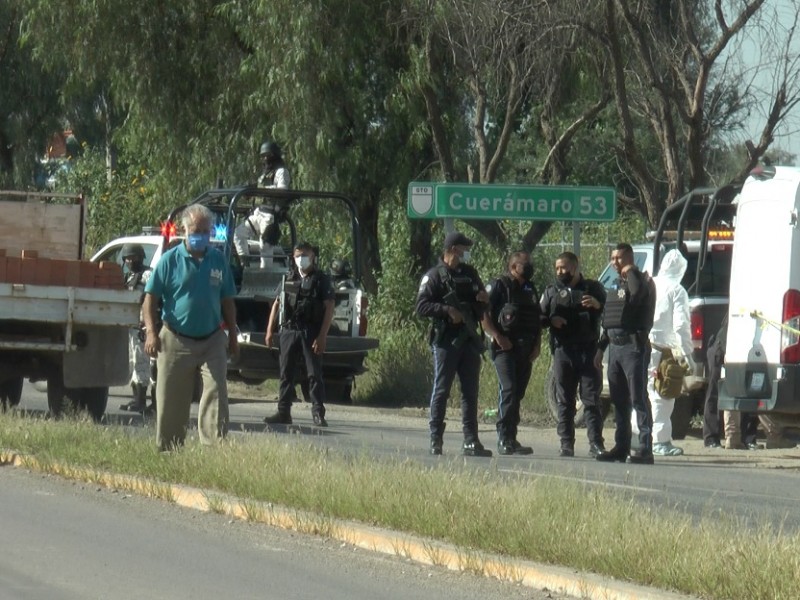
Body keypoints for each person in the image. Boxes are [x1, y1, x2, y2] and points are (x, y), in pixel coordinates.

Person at [143, 204, 239, 451]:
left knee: (217, 390)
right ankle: (169, 450)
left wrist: (233, 335)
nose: (201, 236)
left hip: (212, 339)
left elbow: (227, 300)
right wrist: (152, 334)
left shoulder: (217, 260)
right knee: (171, 399)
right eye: (197, 230)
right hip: (175, 338)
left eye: (206, 231)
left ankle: (214, 449)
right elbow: (150, 300)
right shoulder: (169, 260)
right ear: (185, 230)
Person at [416, 231, 492, 457]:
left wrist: (483, 302)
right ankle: (435, 438)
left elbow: (482, 306)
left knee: (470, 392)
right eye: (463, 248)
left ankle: (471, 440)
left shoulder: (470, 274)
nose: (466, 253)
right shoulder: (434, 276)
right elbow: (421, 306)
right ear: (452, 249)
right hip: (446, 341)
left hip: (469, 340)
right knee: (441, 390)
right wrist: (447, 310)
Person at [594, 243, 657, 464]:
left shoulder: (639, 281)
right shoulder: (616, 284)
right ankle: (621, 447)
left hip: (633, 348)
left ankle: (645, 448)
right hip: (615, 348)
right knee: (619, 400)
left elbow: (638, 293)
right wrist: (600, 349)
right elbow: (609, 320)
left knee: (637, 397)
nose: (614, 262)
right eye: (612, 258)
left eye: (618, 258)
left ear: (629, 258)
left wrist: (630, 269)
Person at [540, 252, 607, 457]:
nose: (561, 271)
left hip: (588, 351)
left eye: (565, 267)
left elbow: (611, 314)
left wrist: (598, 305)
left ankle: (596, 444)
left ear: (575, 267)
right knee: (565, 400)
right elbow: (539, 317)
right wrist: (551, 320)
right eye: (558, 268)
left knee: (591, 400)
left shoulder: (593, 288)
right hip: (563, 351)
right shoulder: (551, 292)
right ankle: (566, 443)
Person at [264, 241, 335, 427]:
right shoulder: (288, 278)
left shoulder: (321, 280)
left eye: (305, 255)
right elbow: (277, 304)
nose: (301, 259)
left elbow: (329, 308)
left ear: (312, 256)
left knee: (314, 374)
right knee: (286, 373)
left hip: (310, 331)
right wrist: (270, 331)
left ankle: (318, 413)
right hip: (289, 330)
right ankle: (283, 413)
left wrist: (322, 336)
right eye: (297, 255)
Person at [481, 251, 541, 455]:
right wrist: (497, 337)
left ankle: (512, 438)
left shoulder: (530, 288)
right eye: (526, 264)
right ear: (514, 267)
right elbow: (483, 314)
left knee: (518, 393)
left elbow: (536, 318)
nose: (530, 266)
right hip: (504, 349)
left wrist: (537, 345)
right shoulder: (499, 285)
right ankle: (503, 437)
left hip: (526, 349)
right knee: (508, 389)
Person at [641, 249, 695, 456]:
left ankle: (638, 436)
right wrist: (687, 354)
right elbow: (681, 326)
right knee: (663, 395)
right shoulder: (677, 290)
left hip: (641, 347)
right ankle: (660, 441)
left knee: (640, 393)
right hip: (664, 351)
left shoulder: (648, 284)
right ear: (681, 269)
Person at [119, 243, 156, 414]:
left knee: (143, 364)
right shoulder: (128, 277)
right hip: (131, 327)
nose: (130, 261)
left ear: (141, 258)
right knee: (133, 363)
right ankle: (136, 400)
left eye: (133, 258)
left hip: (143, 328)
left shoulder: (148, 275)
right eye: (127, 258)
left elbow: (154, 299)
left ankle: (144, 402)